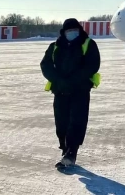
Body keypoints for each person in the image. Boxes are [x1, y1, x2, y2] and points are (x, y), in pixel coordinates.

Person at [40, 18, 100, 168]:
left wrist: (74, 80)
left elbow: (92, 65)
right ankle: (64, 147)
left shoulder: (88, 44)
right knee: (61, 122)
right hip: (60, 90)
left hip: (80, 90)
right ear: (64, 32)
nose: (71, 33)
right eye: (68, 31)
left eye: (74, 30)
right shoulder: (55, 46)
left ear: (79, 30)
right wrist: (58, 80)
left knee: (77, 121)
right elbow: (45, 65)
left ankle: (72, 152)